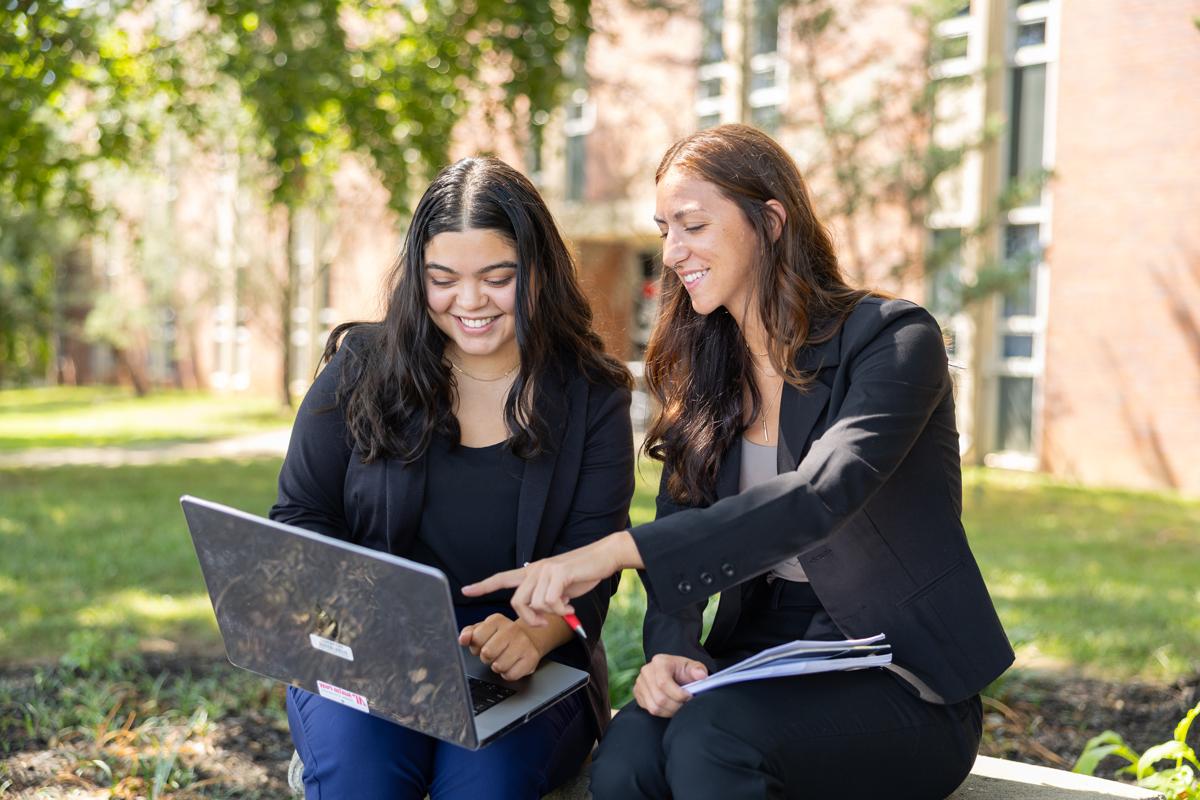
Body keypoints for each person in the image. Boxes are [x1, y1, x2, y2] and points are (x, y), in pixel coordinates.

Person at [465, 125, 1014, 799]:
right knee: (627, 760)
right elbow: (682, 528)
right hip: (759, 652)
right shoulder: (707, 371)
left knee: (714, 741)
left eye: (692, 225)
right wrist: (671, 645)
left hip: (900, 671)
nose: (671, 253)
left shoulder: (895, 340)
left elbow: (820, 493)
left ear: (771, 221)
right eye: (663, 228)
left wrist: (615, 551)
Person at [273, 157, 634, 800]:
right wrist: (351, 619)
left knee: (485, 786)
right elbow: (301, 518)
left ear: (539, 272)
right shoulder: (361, 368)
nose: (469, 303)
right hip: (369, 652)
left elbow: (594, 565)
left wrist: (535, 634)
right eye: (443, 280)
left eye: (497, 278)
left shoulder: (592, 397)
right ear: (419, 278)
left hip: (528, 664)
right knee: (364, 776)